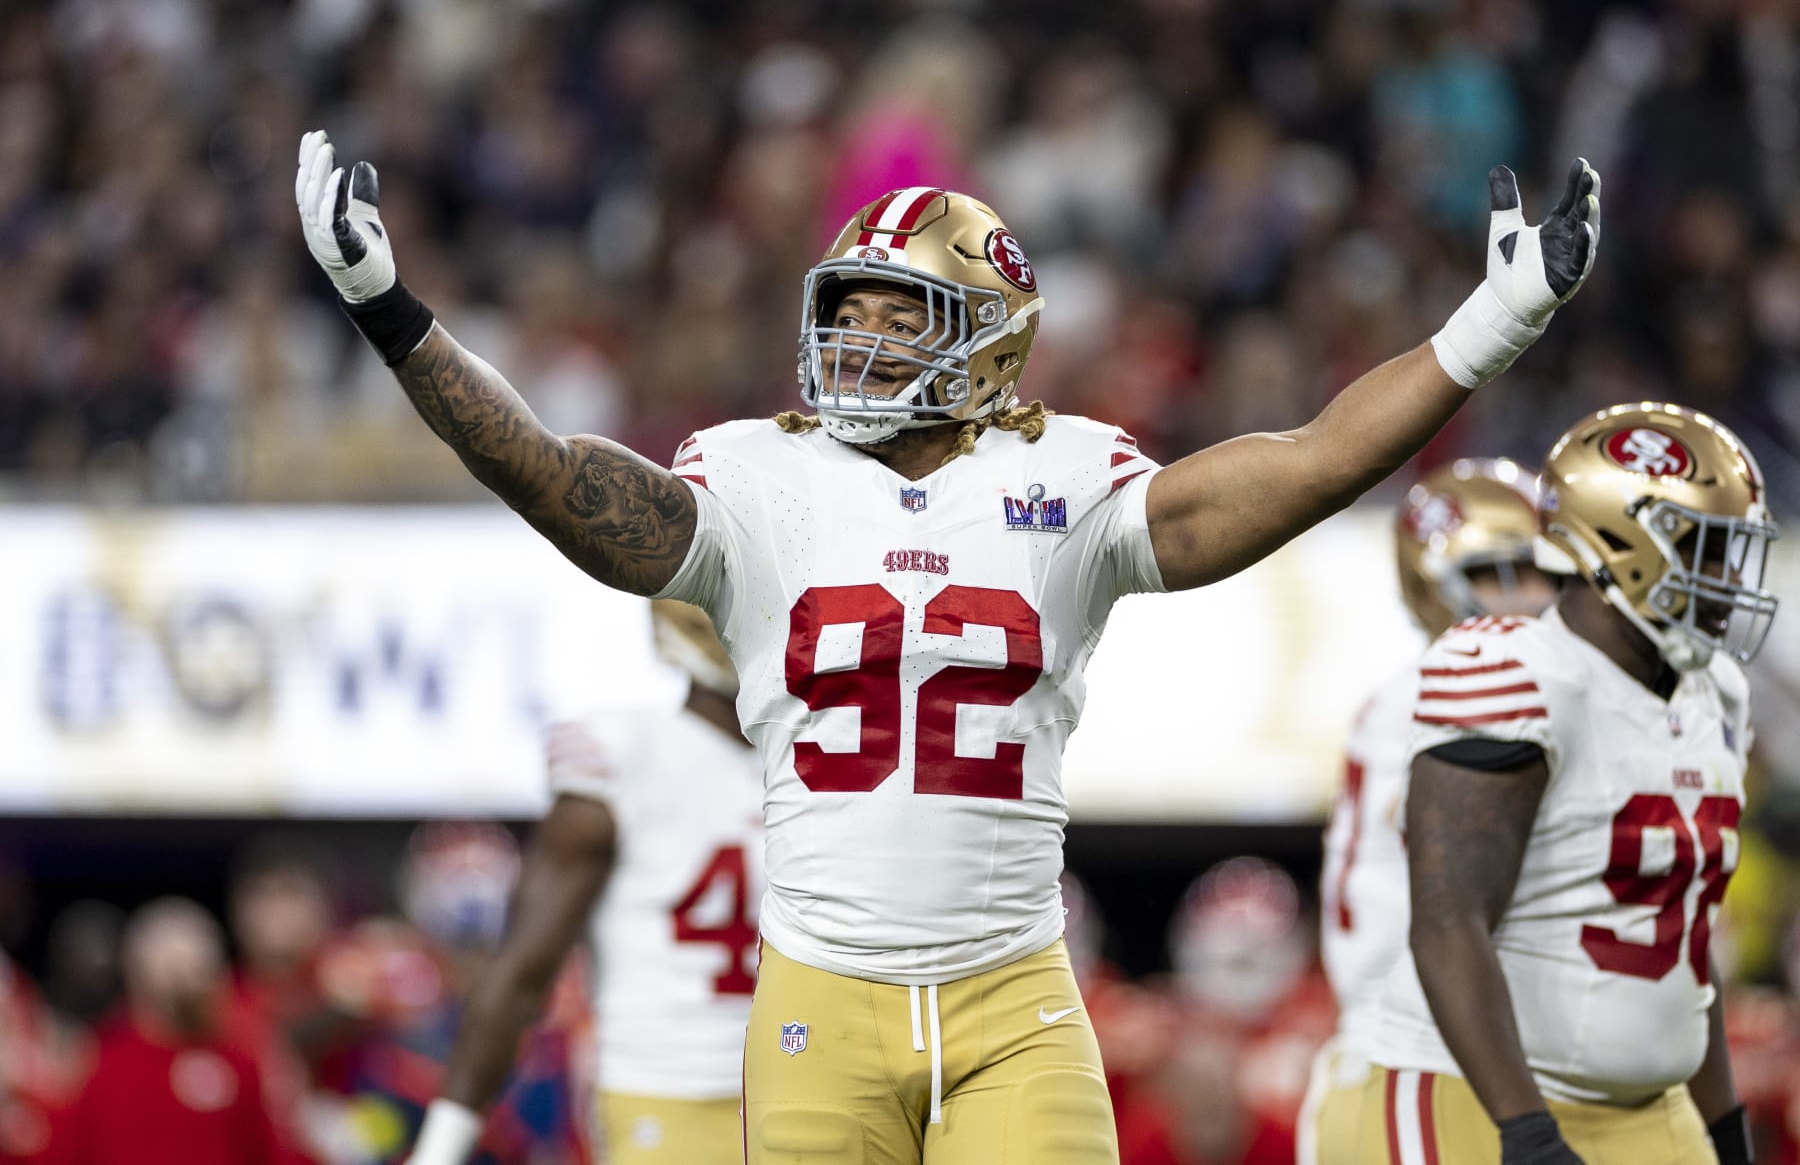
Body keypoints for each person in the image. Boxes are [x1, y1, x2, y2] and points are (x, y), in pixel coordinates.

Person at [296, 126, 1599, 1163]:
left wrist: (1491, 325)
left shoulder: (1070, 481)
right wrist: (389, 309)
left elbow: (1310, 462)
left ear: (991, 337)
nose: (857, 337)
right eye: (847, 307)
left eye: (899, 313)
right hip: (820, 1002)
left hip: (1012, 1000)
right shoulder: (758, 479)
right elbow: (549, 473)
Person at [1357, 403, 1781, 1165]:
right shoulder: (1518, 670)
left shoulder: (1716, 690)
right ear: (1620, 544)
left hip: (1650, 1105)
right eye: (1704, 550)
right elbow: (1448, 923)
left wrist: (1724, 1126)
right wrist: (1526, 1131)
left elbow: (1681, 940)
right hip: (1477, 1092)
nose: (1727, 582)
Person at [407, 599, 760, 1165]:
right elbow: (522, 974)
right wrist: (438, 1152)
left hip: (802, 1085)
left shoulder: (811, 755)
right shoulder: (625, 753)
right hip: (670, 1093)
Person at [1299, 458, 1556, 1165]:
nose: (1532, 597)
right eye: (1497, 574)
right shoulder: (1448, 700)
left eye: (1541, 571)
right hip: (1417, 1056)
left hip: (1444, 1046)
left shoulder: (1428, 694)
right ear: (1431, 586)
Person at [53, 898, 282, 1165]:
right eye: (175, 969)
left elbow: (269, 1152)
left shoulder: (239, 1062)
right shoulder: (99, 1065)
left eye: (198, 968)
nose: (188, 983)